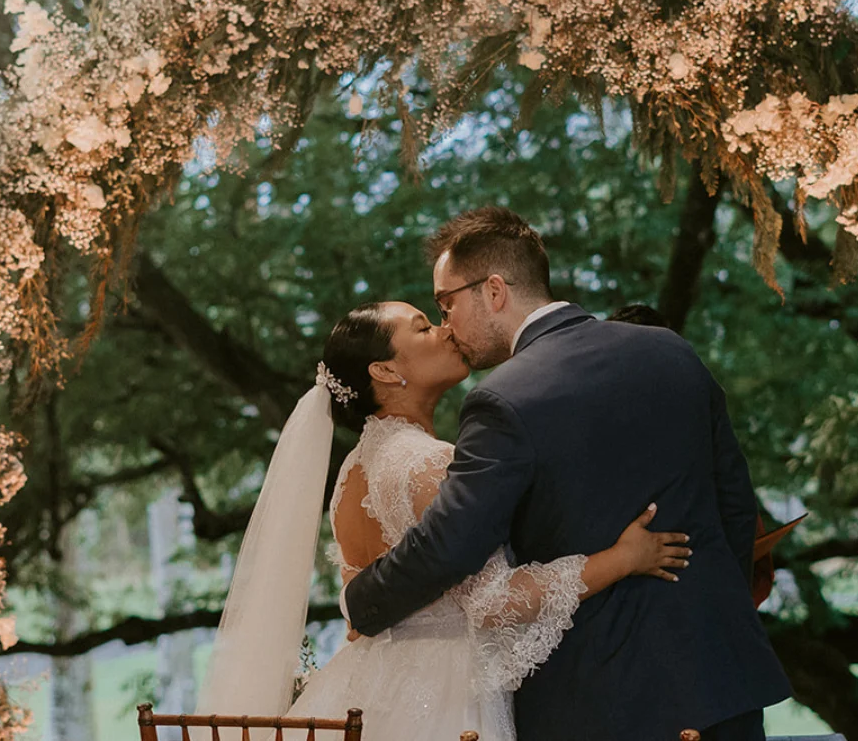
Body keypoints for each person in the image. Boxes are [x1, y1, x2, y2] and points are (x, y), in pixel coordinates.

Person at [344, 207, 792, 741]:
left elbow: (451, 544)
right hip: (722, 679)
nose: (447, 325)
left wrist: (361, 601)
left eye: (447, 304)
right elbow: (735, 504)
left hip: (601, 701)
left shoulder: (504, 398)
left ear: (493, 291)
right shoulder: (672, 350)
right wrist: (714, 609)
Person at [195, 298, 693, 741]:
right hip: (443, 698)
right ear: (385, 371)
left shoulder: (352, 473)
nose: (445, 330)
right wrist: (623, 559)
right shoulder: (428, 464)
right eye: (423, 327)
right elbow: (494, 603)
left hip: (368, 688)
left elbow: (359, 603)